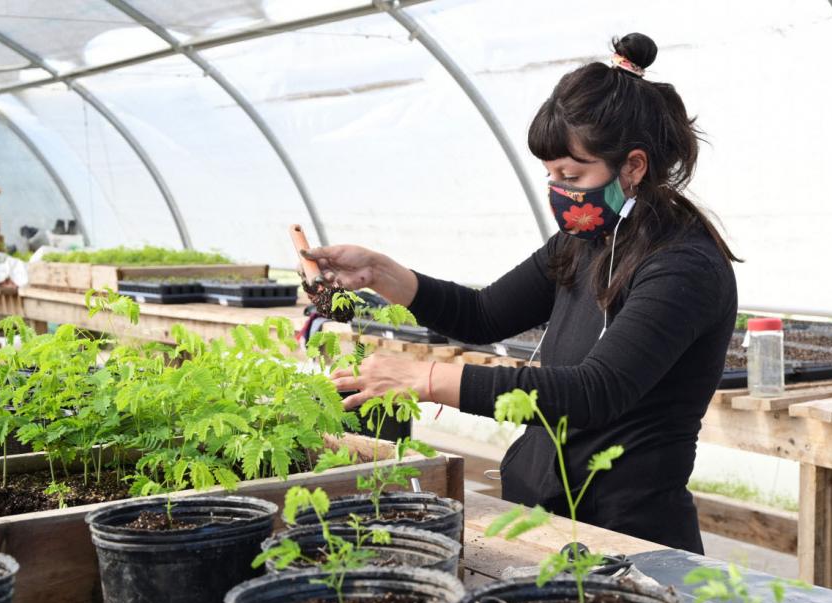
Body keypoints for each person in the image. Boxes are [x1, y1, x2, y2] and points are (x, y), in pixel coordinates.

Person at [303, 33, 739, 553]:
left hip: (626, 534)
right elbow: (483, 314)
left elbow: (594, 393)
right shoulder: (585, 239)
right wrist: (381, 272)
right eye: (550, 174)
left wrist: (428, 378)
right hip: (541, 515)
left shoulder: (684, 266)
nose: (558, 188)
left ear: (634, 166)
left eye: (571, 174)